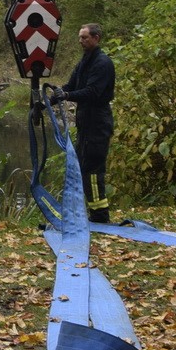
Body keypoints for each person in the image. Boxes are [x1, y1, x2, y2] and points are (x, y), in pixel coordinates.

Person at [51, 23, 115, 223]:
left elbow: (92, 92)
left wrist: (68, 95)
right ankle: (88, 212)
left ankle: (100, 214)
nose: (81, 41)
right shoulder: (84, 62)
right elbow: (70, 86)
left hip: (98, 122)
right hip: (85, 123)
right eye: (80, 38)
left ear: (96, 38)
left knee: (93, 170)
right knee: (81, 167)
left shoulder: (102, 63)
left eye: (85, 38)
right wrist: (48, 101)